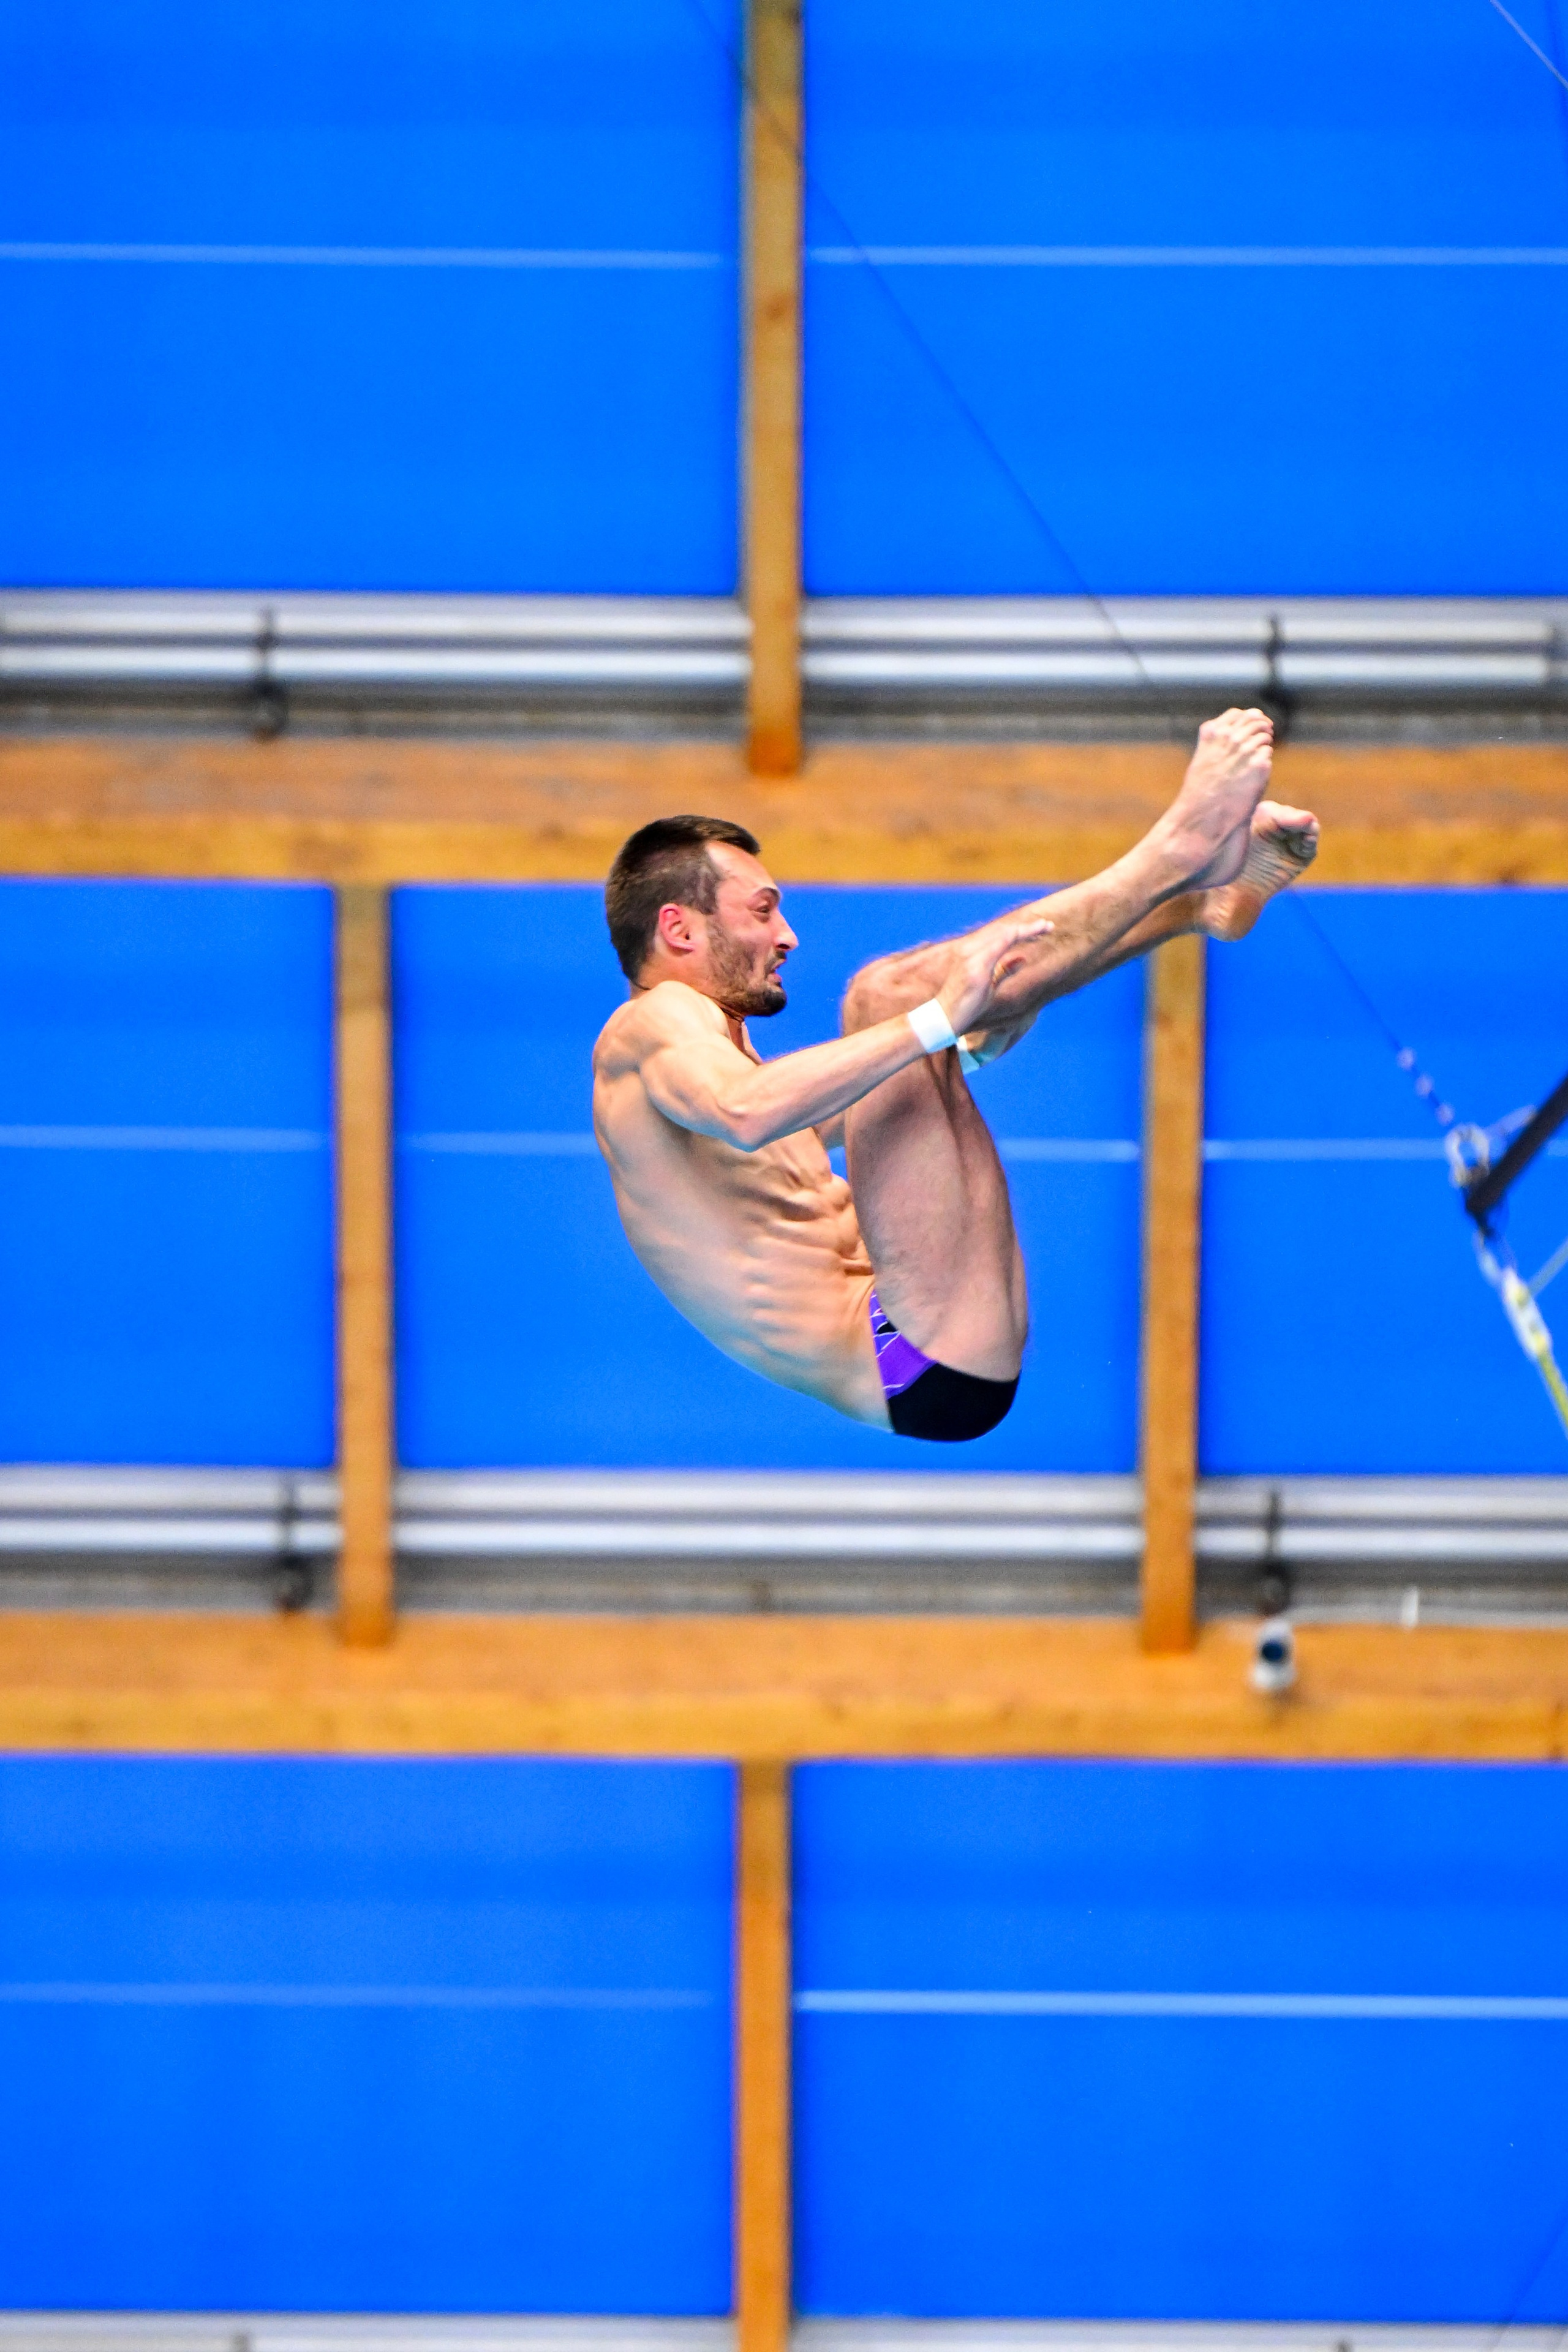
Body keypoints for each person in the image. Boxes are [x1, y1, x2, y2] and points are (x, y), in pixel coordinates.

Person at [591, 708, 1316, 1441]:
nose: (786, 937)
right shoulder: (649, 1024)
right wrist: (931, 1024)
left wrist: (952, 1049)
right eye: (762, 911)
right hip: (907, 1356)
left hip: (926, 1355)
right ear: (680, 929)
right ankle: (1176, 852)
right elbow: (749, 1113)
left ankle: (1193, 904)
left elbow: (818, 1118)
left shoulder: (709, 1058)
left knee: (918, 1013)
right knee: (888, 996)